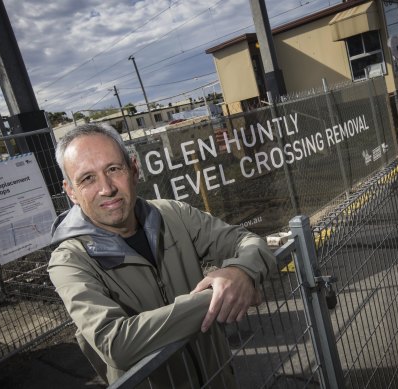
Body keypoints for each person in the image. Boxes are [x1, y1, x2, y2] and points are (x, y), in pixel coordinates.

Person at [48, 124, 276, 387]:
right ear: (70, 192)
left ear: (134, 169)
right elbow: (116, 343)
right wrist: (225, 294)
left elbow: (248, 241)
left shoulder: (172, 214)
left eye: (113, 169)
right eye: (87, 178)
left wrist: (242, 272)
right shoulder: (70, 261)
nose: (106, 188)